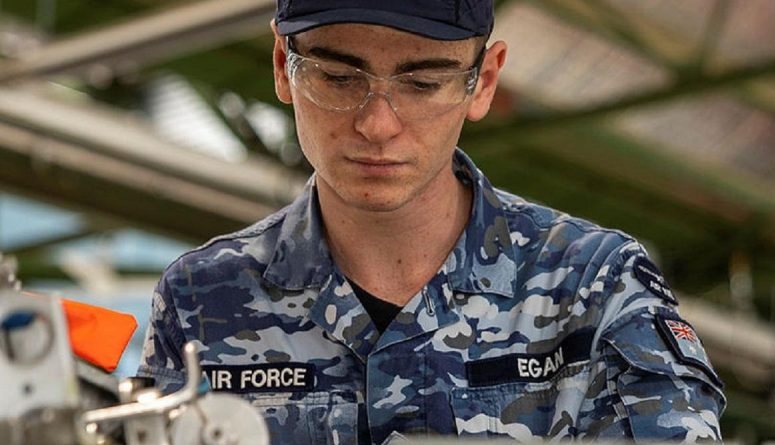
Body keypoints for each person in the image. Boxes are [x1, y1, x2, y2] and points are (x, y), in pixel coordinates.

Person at [138, 1, 726, 443]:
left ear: (484, 80)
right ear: (281, 65)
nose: (377, 123)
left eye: (422, 84)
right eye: (338, 78)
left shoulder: (592, 287)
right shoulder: (202, 298)